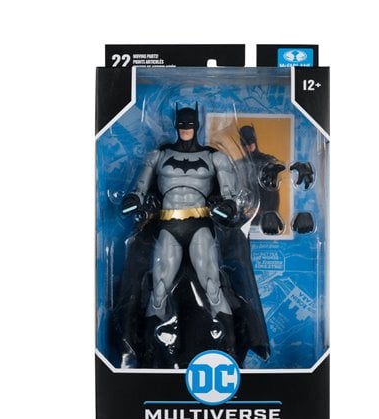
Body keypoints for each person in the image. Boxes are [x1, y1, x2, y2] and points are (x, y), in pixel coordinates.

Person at [115, 105, 269, 368]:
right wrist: (134, 200)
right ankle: (150, 353)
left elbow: (230, 194)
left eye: (189, 125)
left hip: (199, 224)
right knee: (159, 288)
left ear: (196, 126)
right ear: (176, 126)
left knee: (212, 286)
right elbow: (140, 187)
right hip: (168, 223)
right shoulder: (159, 156)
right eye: (182, 125)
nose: (185, 129)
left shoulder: (214, 157)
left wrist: (228, 206)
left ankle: (231, 348)